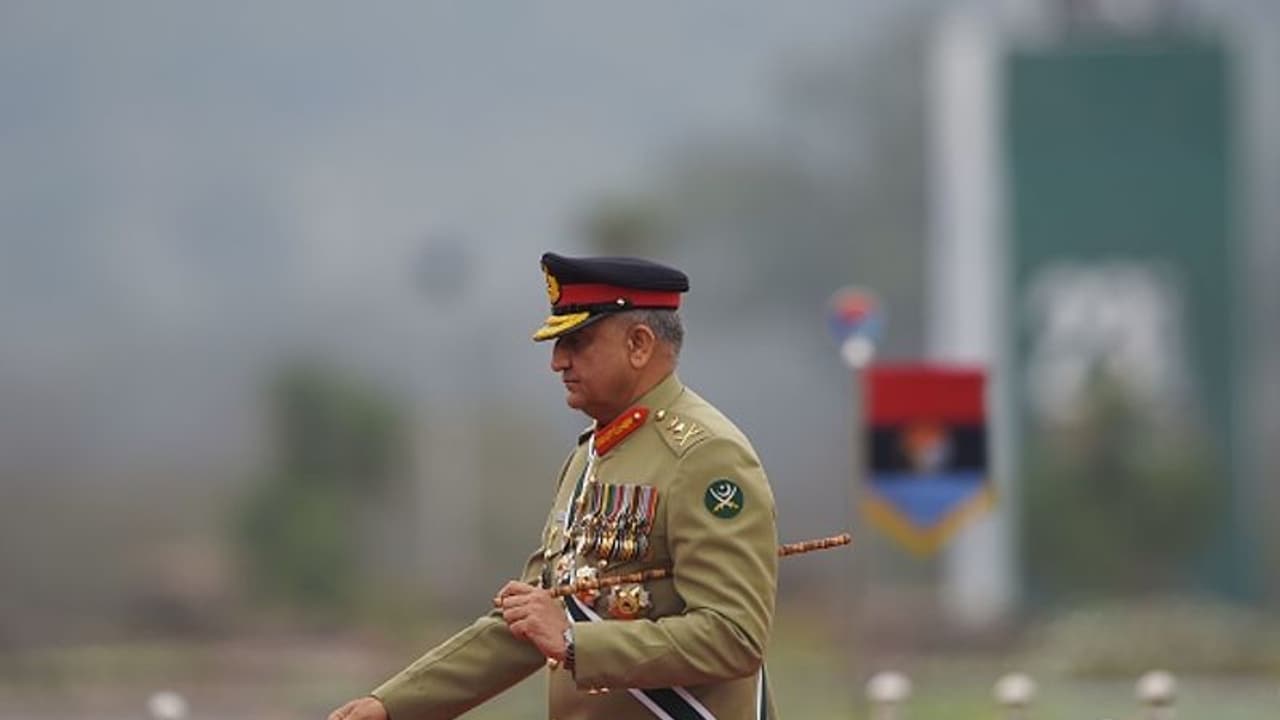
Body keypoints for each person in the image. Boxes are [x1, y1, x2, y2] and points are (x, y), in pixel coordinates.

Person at [328, 252, 779, 720]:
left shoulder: (705, 455)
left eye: (577, 342)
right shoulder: (591, 455)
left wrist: (572, 640)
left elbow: (735, 636)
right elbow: (528, 622)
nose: (557, 362)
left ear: (639, 345)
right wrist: (390, 706)